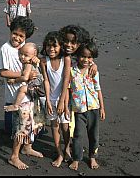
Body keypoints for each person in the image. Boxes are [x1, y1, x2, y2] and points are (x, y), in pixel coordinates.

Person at [0, 16, 43, 170]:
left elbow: (37, 62)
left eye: (21, 36)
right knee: (19, 127)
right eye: (15, 33)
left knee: (33, 123)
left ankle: (27, 147)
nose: (17, 38)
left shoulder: (28, 48)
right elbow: (3, 73)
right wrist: (24, 75)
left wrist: (36, 61)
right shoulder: (5, 49)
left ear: (26, 37)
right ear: (11, 31)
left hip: (31, 95)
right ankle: (14, 156)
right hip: (14, 95)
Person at [67, 40, 106, 171]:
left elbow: (98, 89)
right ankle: (76, 158)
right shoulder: (72, 70)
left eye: (89, 57)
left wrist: (102, 108)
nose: (86, 59)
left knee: (94, 135)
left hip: (94, 108)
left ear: (93, 58)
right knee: (78, 135)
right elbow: (68, 89)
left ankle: (92, 156)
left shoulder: (94, 71)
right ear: (77, 56)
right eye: (83, 56)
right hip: (78, 109)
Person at [59, 25, 98, 138]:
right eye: (66, 41)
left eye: (73, 42)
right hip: (59, 90)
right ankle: (67, 145)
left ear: (80, 43)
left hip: (75, 94)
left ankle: (70, 145)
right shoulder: (59, 53)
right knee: (64, 120)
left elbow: (88, 60)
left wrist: (94, 64)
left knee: (71, 121)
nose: (69, 45)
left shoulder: (79, 57)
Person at [39, 31, 71, 167]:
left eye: (54, 46)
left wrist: (63, 102)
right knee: (54, 125)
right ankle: (59, 153)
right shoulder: (44, 61)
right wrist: (47, 100)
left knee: (65, 126)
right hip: (51, 99)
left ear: (60, 47)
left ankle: (67, 147)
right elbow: (46, 81)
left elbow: (66, 81)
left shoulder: (66, 59)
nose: (51, 49)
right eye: (48, 46)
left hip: (64, 98)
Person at [3, 42, 44, 112]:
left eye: (26, 55)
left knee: (22, 89)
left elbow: (25, 77)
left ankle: (15, 105)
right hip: (40, 87)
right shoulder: (34, 62)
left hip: (37, 88)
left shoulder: (28, 64)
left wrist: (14, 81)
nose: (22, 57)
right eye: (21, 54)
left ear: (34, 55)